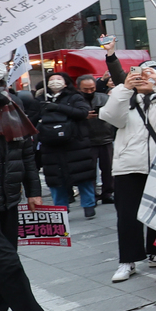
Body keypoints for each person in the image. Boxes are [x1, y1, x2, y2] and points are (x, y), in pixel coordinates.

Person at [0, 64, 66, 311]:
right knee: (7, 266)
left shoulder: (10, 104)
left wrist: (33, 190)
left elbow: (24, 151)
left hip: (8, 199)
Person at [101, 61, 156, 281]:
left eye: (149, 75)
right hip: (128, 166)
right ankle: (127, 260)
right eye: (139, 75)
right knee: (127, 215)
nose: (143, 79)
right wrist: (124, 88)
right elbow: (110, 116)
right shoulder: (124, 100)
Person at [38, 72, 97, 219]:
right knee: (55, 179)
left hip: (75, 143)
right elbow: (33, 118)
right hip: (50, 145)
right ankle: (60, 208)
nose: (55, 82)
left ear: (65, 83)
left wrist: (57, 108)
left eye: (59, 79)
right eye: (52, 80)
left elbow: (82, 113)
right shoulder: (40, 99)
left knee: (83, 176)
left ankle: (89, 205)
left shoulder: (75, 97)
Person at [78, 75, 115, 204]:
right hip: (86, 139)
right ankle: (91, 194)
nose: (89, 91)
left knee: (108, 168)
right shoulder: (76, 100)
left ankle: (108, 193)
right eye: (85, 89)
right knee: (89, 169)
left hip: (105, 136)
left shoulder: (104, 97)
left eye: (92, 88)